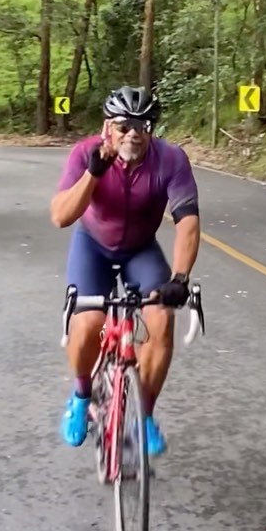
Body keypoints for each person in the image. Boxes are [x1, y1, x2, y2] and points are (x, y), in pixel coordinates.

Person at [50, 85, 200, 456]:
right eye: (123, 125)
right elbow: (60, 217)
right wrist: (94, 174)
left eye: (143, 125)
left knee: (161, 320)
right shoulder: (85, 153)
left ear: (152, 130)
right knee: (88, 324)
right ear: (108, 127)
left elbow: (188, 223)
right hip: (93, 247)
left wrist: (180, 277)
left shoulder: (171, 160)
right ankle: (82, 396)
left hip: (140, 249)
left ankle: (144, 417)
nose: (133, 132)